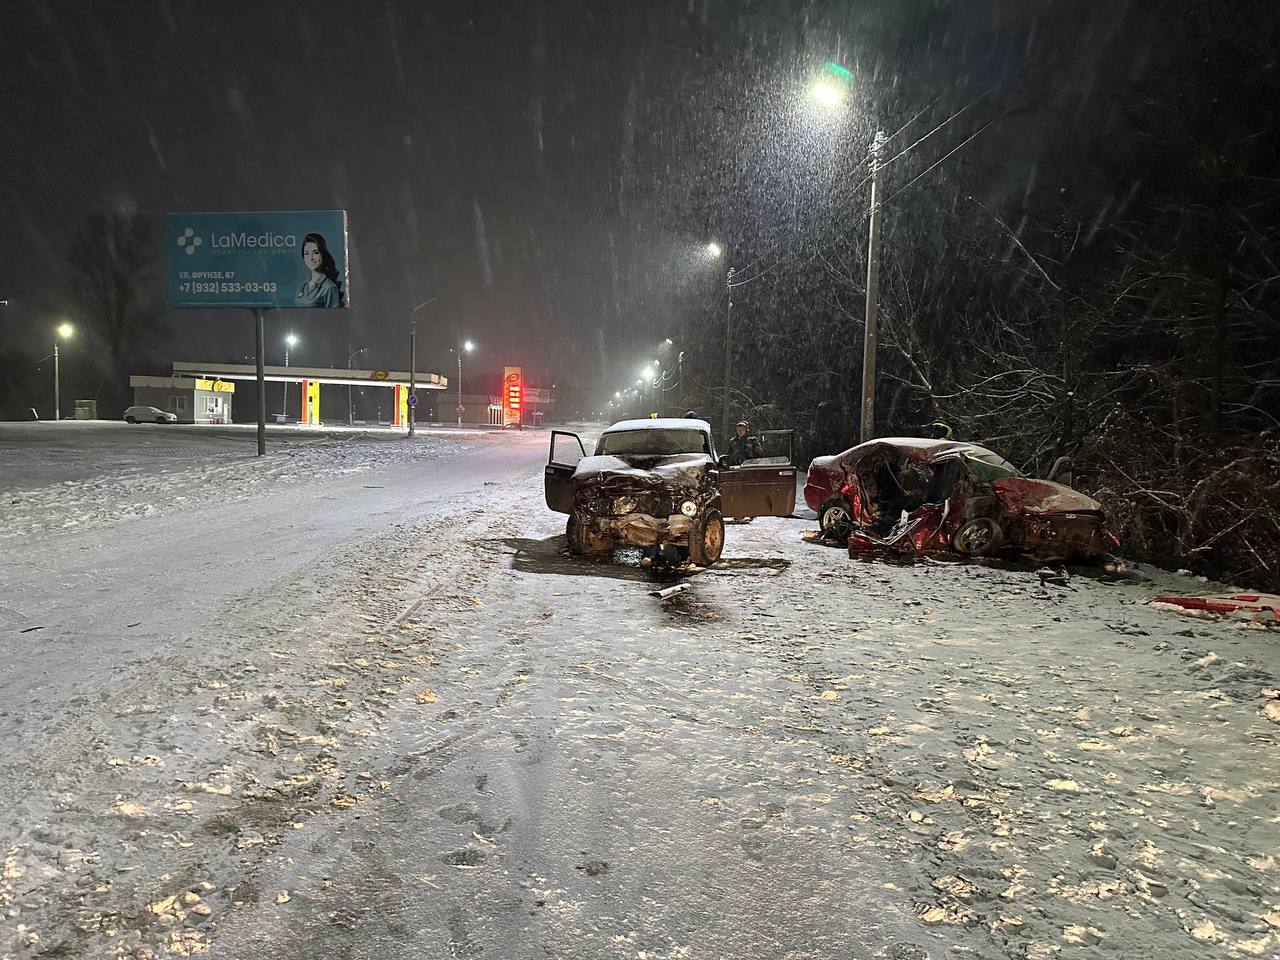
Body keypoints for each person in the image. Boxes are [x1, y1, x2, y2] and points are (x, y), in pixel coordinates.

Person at [295, 233, 344, 308]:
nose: (311, 258)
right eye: (307, 253)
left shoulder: (329, 287)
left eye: (316, 253)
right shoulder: (301, 286)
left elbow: (335, 317)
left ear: (323, 254)